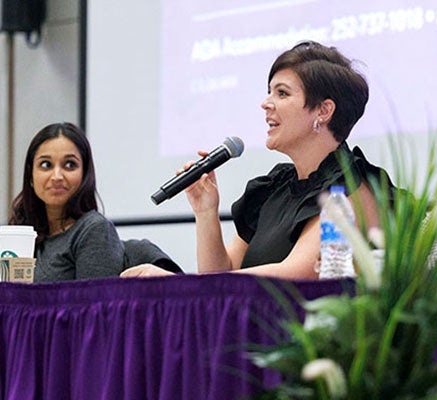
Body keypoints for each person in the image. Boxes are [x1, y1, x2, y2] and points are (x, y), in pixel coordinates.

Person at [121, 40, 395, 279]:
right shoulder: (273, 189)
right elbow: (220, 278)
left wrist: (177, 283)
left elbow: (298, 273)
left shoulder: (352, 189)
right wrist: (206, 212)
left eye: (282, 93)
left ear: (323, 111)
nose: (266, 103)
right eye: (269, 91)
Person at [9, 122, 125, 281]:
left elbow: (96, 305)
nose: (57, 176)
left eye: (70, 165)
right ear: (30, 176)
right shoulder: (22, 233)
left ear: (85, 174)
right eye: (46, 165)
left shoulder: (93, 230)